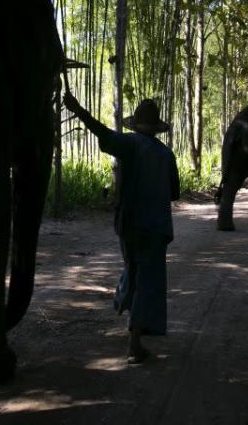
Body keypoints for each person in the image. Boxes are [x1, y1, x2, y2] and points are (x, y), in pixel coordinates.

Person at [63, 91, 180, 363]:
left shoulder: (129, 145)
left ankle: (131, 315)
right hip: (155, 227)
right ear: (156, 127)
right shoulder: (166, 155)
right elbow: (174, 193)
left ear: (136, 124)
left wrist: (78, 109)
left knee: (134, 270)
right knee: (148, 279)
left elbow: (100, 131)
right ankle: (135, 343)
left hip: (128, 224)